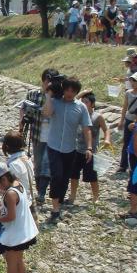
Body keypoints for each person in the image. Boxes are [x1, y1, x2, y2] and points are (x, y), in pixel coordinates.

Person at [42, 76, 93, 224]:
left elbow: (86, 128)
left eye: (73, 90)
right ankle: (55, 208)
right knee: (56, 175)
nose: (69, 93)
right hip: (53, 146)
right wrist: (49, 95)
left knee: (65, 178)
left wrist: (89, 147)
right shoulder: (55, 102)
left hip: (70, 148)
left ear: (77, 91)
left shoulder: (80, 107)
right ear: (63, 89)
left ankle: (59, 202)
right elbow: (46, 113)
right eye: (67, 89)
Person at [68, 92, 111, 204]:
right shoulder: (78, 114)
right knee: (74, 174)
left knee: (92, 176)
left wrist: (107, 139)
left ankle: (96, 196)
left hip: (91, 151)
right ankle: (72, 195)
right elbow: (73, 101)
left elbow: (106, 130)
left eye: (86, 102)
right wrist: (83, 92)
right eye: (82, 102)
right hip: (76, 149)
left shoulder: (97, 117)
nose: (83, 104)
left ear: (92, 104)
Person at [19, 69, 54, 205]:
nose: (49, 85)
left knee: (47, 164)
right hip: (37, 134)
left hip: (53, 138)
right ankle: (40, 189)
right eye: (47, 82)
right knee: (38, 165)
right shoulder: (33, 94)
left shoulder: (58, 97)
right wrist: (21, 126)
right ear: (43, 81)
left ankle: (42, 193)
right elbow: (23, 109)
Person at [2, 131, 37, 219]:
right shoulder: (27, 159)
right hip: (28, 197)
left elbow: (10, 187)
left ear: (7, 147)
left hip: (19, 201)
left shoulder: (14, 164)